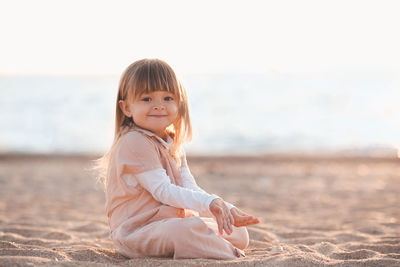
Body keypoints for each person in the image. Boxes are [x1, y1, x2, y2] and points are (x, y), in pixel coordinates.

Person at [97, 58, 259, 260]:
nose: (158, 106)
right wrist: (209, 204)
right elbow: (163, 191)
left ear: (179, 103)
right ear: (126, 107)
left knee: (236, 231)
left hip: (171, 222)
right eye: (146, 99)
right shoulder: (134, 141)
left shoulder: (172, 143)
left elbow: (189, 187)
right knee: (186, 231)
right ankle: (228, 254)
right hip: (138, 232)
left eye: (167, 98)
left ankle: (211, 244)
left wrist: (226, 208)